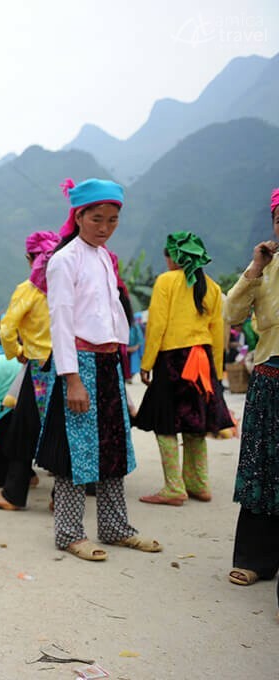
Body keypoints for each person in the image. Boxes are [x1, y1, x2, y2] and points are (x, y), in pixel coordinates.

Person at [35, 178, 160, 562]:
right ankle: (70, 534)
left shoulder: (106, 258)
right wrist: (71, 378)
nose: (104, 228)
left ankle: (116, 527)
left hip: (107, 365)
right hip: (81, 364)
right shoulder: (64, 260)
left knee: (113, 448)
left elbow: (112, 316)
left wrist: (120, 368)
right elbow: (60, 321)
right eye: (96, 219)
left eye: (112, 220)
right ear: (78, 216)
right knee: (78, 452)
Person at [133, 232, 233, 506]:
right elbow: (217, 333)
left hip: (173, 361)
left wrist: (146, 363)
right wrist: (216, 372)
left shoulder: (166, 281)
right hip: (201, 361)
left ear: (171, 258)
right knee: (195, 425)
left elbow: (157, 326)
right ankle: (199, 484)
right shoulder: (211, 287)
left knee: (165, 424)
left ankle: (174, 487)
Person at [224, 187, 279, 604]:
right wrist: (256, 267)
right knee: (263, 469)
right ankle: (256, 558)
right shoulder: (265, 268)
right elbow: (231, 314)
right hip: (269, 377)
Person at [0, 230, 60, 510]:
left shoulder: (29, 290)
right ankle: (60, 499)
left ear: (30, 259)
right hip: (68, 368)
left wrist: (16, 353)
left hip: (38, 368)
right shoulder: (67, 285)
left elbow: (6, 329)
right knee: (61, 429)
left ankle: (13, 494)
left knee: (24, 431)